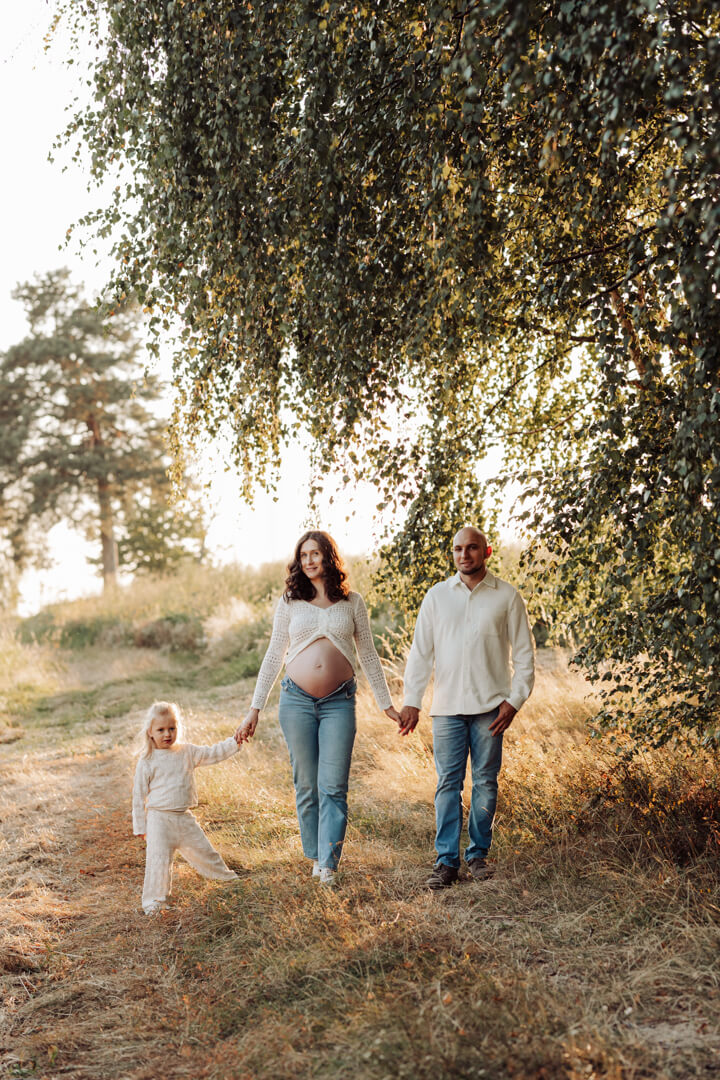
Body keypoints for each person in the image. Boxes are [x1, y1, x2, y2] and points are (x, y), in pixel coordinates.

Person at [237, 530, 401, 885]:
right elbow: (274, 653)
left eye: (316, 553)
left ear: (329, 556)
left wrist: (386, 704)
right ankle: (314, 854)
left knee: (333, 786)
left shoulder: (352, 602)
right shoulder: (290, 601)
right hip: (295, 700)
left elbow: (368, 654)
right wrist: (255, 707)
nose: (310, 561)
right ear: (299, 561)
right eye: (304, 555)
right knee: (307, 784)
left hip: (338, 702)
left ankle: (328, 862)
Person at [399, 527, 535, 889]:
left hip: (492, 708)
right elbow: (420, 653)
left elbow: (525, 657)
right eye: (458, 549)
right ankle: (446, 863)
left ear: (486, 551)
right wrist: (411, 701)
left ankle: (478, 857)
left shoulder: (507, 596)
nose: (464, 555)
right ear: (453, 554)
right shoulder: (437, 597)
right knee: (448, 785)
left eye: (471, 548)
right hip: (446, 710)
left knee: (486, 783)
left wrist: (515, 701)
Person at [132, 701, 241, 914]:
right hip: (158, 820)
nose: (167, 734)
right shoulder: (147, 760)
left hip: (183, 818)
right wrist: (141, 827)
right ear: (150, 732)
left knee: (205, 851)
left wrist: (235, 742)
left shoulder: (187, 752)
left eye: (172, 728)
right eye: (161, 730)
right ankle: (155, 903)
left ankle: (228, 880)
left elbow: (214, 753)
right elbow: (138, 797)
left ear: (178, 728)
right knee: (159, 862)